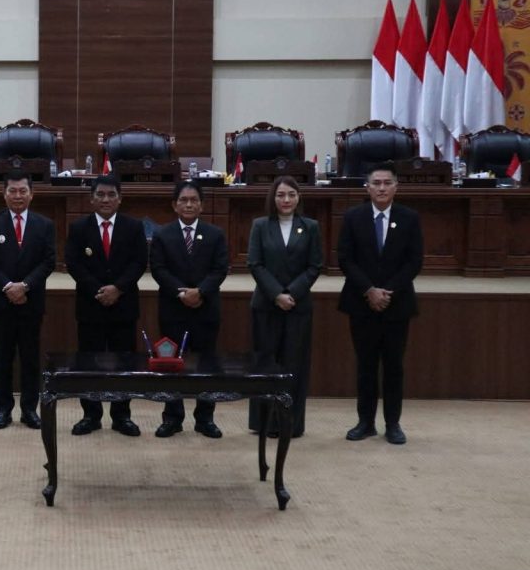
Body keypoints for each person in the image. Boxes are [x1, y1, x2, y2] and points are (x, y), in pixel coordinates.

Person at [338, 162, 423, 445]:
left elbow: (414, 261)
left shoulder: (409, 218)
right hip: (361, 303)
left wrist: (388, 291)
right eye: (376, 183)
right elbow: (345, 259)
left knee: (394, 366)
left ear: (396, 187)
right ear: (367, 187)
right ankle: (365, 422)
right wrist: (369, 290)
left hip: (396, 305)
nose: (382, 188)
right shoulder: (353, 217)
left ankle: (393, 424)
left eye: (387, 183)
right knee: (365, 365)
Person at [63, 174, 147, 437]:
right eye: (100, 194)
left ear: (120, 199)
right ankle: (91, 415)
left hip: (123, 306)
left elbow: (139, 262)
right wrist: (98, 290)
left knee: (124, 363)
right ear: (91, 199)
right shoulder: (79, 227)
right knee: (89, 362)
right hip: (91, 305)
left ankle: (122, 416)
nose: (106, 199)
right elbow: (73, 263)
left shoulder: (133, 227)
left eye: (111, 195)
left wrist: (117, 289)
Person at [150, 180, 229, 439]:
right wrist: (182, 293)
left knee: (207, 365)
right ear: (174, 205)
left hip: (206, 309)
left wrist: (200, 292)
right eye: (183, 200)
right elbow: (158, 269)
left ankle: (205, 419)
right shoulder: (162, 234)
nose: (188, 204)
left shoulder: (215, 234)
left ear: (202, 205)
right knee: (171, 364)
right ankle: (172, 418)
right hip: (173, 309)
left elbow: (220, 269)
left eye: (194, 200)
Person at [245, 176, 323, 438]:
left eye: (291, 194)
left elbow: (315, 265)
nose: (286, 199)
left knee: (294, 365)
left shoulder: (310, 227)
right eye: (280, 195)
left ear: (299, 198)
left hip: (298, 307)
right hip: (266, 305)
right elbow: (255, 263)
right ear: (273, 198)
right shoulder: (260, 225)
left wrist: (292, 293)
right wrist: (277, 294)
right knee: (266, 364)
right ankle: (264, 423)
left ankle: (291, 424)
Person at [0, 171, 56, 430]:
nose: (18, 196)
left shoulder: (44, 224)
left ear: (32, 194)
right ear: (4, 194)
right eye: (12, 191)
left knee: (30, 358)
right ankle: (3, 409)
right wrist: (8, 287)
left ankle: (29, 409)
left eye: (23, 191)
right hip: (2, 302)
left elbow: (48, 261)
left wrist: (25, 286)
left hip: (31, 301)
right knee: (3, 358)